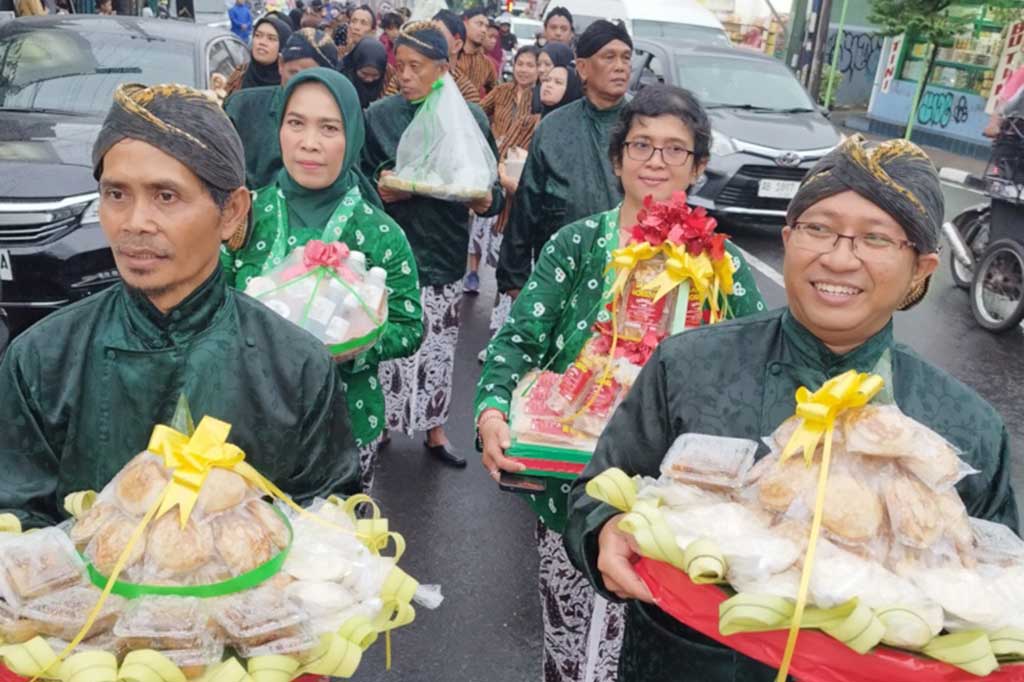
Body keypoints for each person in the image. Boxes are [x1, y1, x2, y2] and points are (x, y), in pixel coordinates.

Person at [565, 134, 1019, 682]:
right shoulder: (689, 365)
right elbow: (595, 491)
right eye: (818, 228)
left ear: (921, 269)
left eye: (875, 238)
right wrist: (603, 532)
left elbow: (998, 593)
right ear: (787, 239)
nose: (838, 257)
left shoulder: (963, 428)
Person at [477, 84, 767, 682]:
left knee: (653, 648)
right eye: (641, 145)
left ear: (700, 165)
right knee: (566, 636)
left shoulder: (723, 266)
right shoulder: (578, 245)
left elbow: (761, 370)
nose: (655, 161)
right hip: (568, 481)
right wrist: (491, 413)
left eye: (673, 149)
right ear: (618, 159)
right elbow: (516, 343)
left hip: (680, 506)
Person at [0, 83, 361, 528]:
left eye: (165, 196)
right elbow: (14, 522)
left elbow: (329, 527)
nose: (134, 223)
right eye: (116, 195)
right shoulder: (42, 360)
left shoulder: (297, 367)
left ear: (231, 213)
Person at [223, 68, 422, 492]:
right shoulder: (245, 217)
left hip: (344, 422)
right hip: (247, 423)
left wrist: (355, 346)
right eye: (296, 123)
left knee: (336, 547)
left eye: (329, 128)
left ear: (351, 134)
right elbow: (209, 303)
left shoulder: (378, 233)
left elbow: (409, 324)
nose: (309, 143)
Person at [363, 22, 504, 468]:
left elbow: (491, 189)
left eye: (416, 67)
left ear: (442, 69)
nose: (404, 75)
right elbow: (362, 179)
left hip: (443, 250)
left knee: (438, 346)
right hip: (391, 252)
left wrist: (486, 199)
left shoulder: (469, 119)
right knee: (386, 342)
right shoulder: (379, 117)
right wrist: (381, 188)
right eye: (399, 66)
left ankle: (435, 431)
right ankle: (382, 423)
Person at [497, 20, 633, 298]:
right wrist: (515, 277)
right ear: (582, 68)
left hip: (626, 273)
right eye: (609, 57)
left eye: (626, 57)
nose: (621, 66)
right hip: (560, 269)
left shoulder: (642, 124)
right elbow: (527, 202)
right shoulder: (555, 126)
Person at [464, 45, 541, 297]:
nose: (524, 69)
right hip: (493, 163)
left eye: (531, 65)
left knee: (509, 221)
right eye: (521, 64)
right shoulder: (502, 91)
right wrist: (487, 140)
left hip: (519, 166)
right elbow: (477, 114)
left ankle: (504, 281)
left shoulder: (538, 100)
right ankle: (473, 272)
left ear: (539, 70)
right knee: (483, 214)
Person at [224, 28, 339, 191]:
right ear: (280, 65)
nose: (300, 83)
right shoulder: (241, 107)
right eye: (294, 73)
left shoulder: (340, 118)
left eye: (312, 76)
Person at [381, 10, 481, 104]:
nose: (430, 38)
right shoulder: (400, 79)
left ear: (457, 45)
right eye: (428, 33)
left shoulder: (466, 90)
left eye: (439, 34)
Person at [228, 15, 294, 94]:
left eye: (271, 38)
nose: (262, 42)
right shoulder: (239, 75)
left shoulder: (290, 85)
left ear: (283, 45)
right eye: (258, 35)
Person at [459, 6, 498, 96]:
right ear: (465, 23)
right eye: (479, 24)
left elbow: (495, 95)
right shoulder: (452, 55)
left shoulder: (486, 64)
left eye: (486, 26)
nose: (484, 30)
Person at [342, 37, 389, 109]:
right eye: (364, 74)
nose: (369, 80)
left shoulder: (388, 79)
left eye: (375, 75)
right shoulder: (342, 81)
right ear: (355, 65)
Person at [530, 42, 573, 113]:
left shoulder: (577, 103)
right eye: (538, 64)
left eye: (547, 64)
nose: (541, 70)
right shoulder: (531, 95)